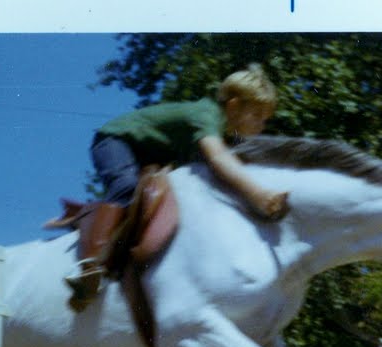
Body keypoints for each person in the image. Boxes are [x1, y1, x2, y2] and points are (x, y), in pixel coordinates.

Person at [64, 63, 290, 306]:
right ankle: (89, 266)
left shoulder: (223, 133)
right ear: (234, 105)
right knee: (126, 185)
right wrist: (258, 194)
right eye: (257, 115)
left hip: (147, 157)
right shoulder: (206, 115)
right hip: (115, 140)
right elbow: (218, 158)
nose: (261, 125)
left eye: (264, 119)